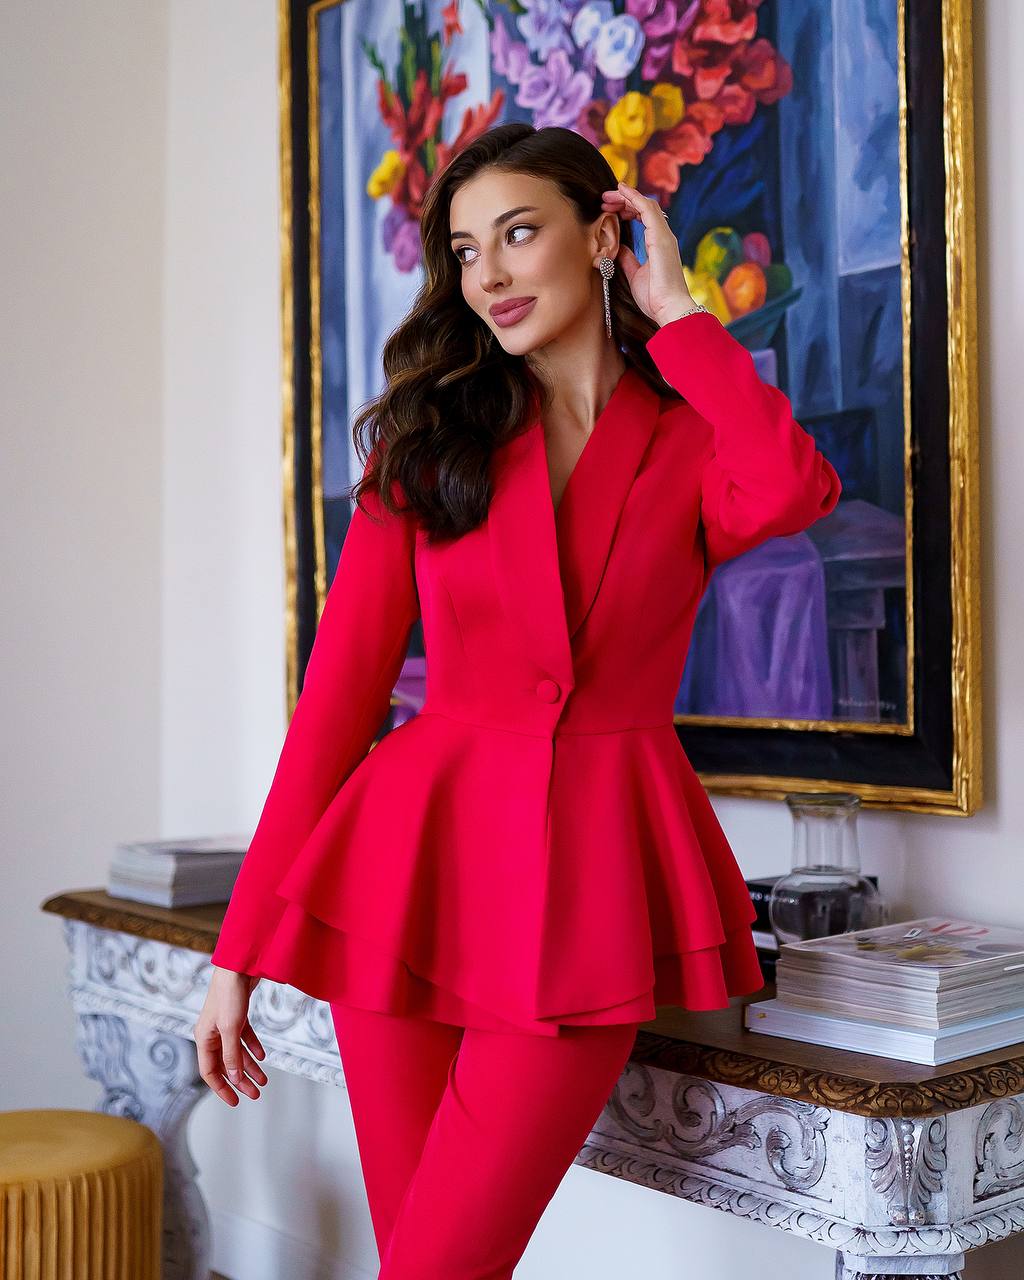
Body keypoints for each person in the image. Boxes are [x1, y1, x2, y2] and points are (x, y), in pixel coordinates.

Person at [192, 122, 842, 1277]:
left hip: (588, 884)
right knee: (426, 1260)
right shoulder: (430, 445)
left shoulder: (686, 440)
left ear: (605, 234)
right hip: (407, 872)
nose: (487, 272)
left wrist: (682, 314)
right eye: (464, 248)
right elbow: (335, 710)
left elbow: (791, 484)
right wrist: (234, 953)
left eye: (519, 232)